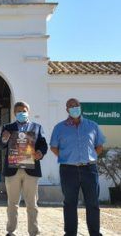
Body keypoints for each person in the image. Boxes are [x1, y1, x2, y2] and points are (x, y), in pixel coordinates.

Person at [50, 98, 105, 236]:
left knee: (92, 203)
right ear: (67, 109)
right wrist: (67, 158)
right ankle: (70, 233)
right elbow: (54, 147)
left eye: (76, 105)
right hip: (68, 170)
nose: (74, 107)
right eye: (71, 106)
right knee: (69, 204)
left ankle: (95, 233)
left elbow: (99, 146)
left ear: (80, 107)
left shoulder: (92, 125)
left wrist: (89, 158)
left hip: (89, 169)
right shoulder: (59, 127)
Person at [0, 101, 48, 236]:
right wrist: (4, 140)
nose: (22, 113)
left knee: (32, 203)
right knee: (12, 203)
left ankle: (34, 231)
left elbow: (43, 145)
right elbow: (1, 146)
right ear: (15, 113)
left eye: (24, 110)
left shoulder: (37, 127)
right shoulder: (7, 127)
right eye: (19, 111)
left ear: (28, 111)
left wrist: (40, 153)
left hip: (31, 170)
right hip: (12, 170)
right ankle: (10, 230)